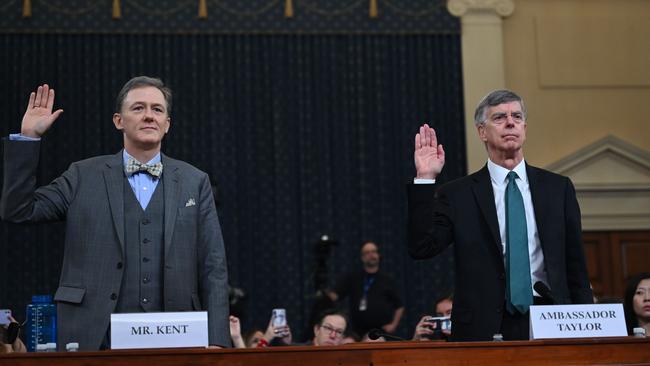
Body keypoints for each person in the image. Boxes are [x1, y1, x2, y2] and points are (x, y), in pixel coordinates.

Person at [0, 77, 230, 350]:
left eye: (157, 109)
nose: (149, 116)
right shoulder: (81, 175)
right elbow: (18, 210)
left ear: (167, 124)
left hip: (176, 332)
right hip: (93, 333)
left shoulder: (196, 181)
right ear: (118, 121)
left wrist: (218, 341)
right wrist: (29, 137)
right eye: (138, 108)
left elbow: (213, 267)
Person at [407, 89, 593, 341]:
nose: (510, 122)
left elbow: (576, 265)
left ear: (524, 128)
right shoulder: (457, 194)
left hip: (551, 318)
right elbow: (422, 247)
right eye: (499, 117)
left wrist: (588, 328)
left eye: (516, 117)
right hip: (483, 324)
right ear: (482, 132)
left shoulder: (558, 188)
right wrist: (425, 179)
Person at [328, 241, 404, 337]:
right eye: (367, 253)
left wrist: (393, 325)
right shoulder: (353, 278)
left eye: (373, 251)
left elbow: (399, 306)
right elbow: (336, 295)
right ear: (362, 258)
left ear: (378, 255)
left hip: (381, 332)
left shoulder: (387, 280)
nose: (371, 255)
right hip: (357, 332)